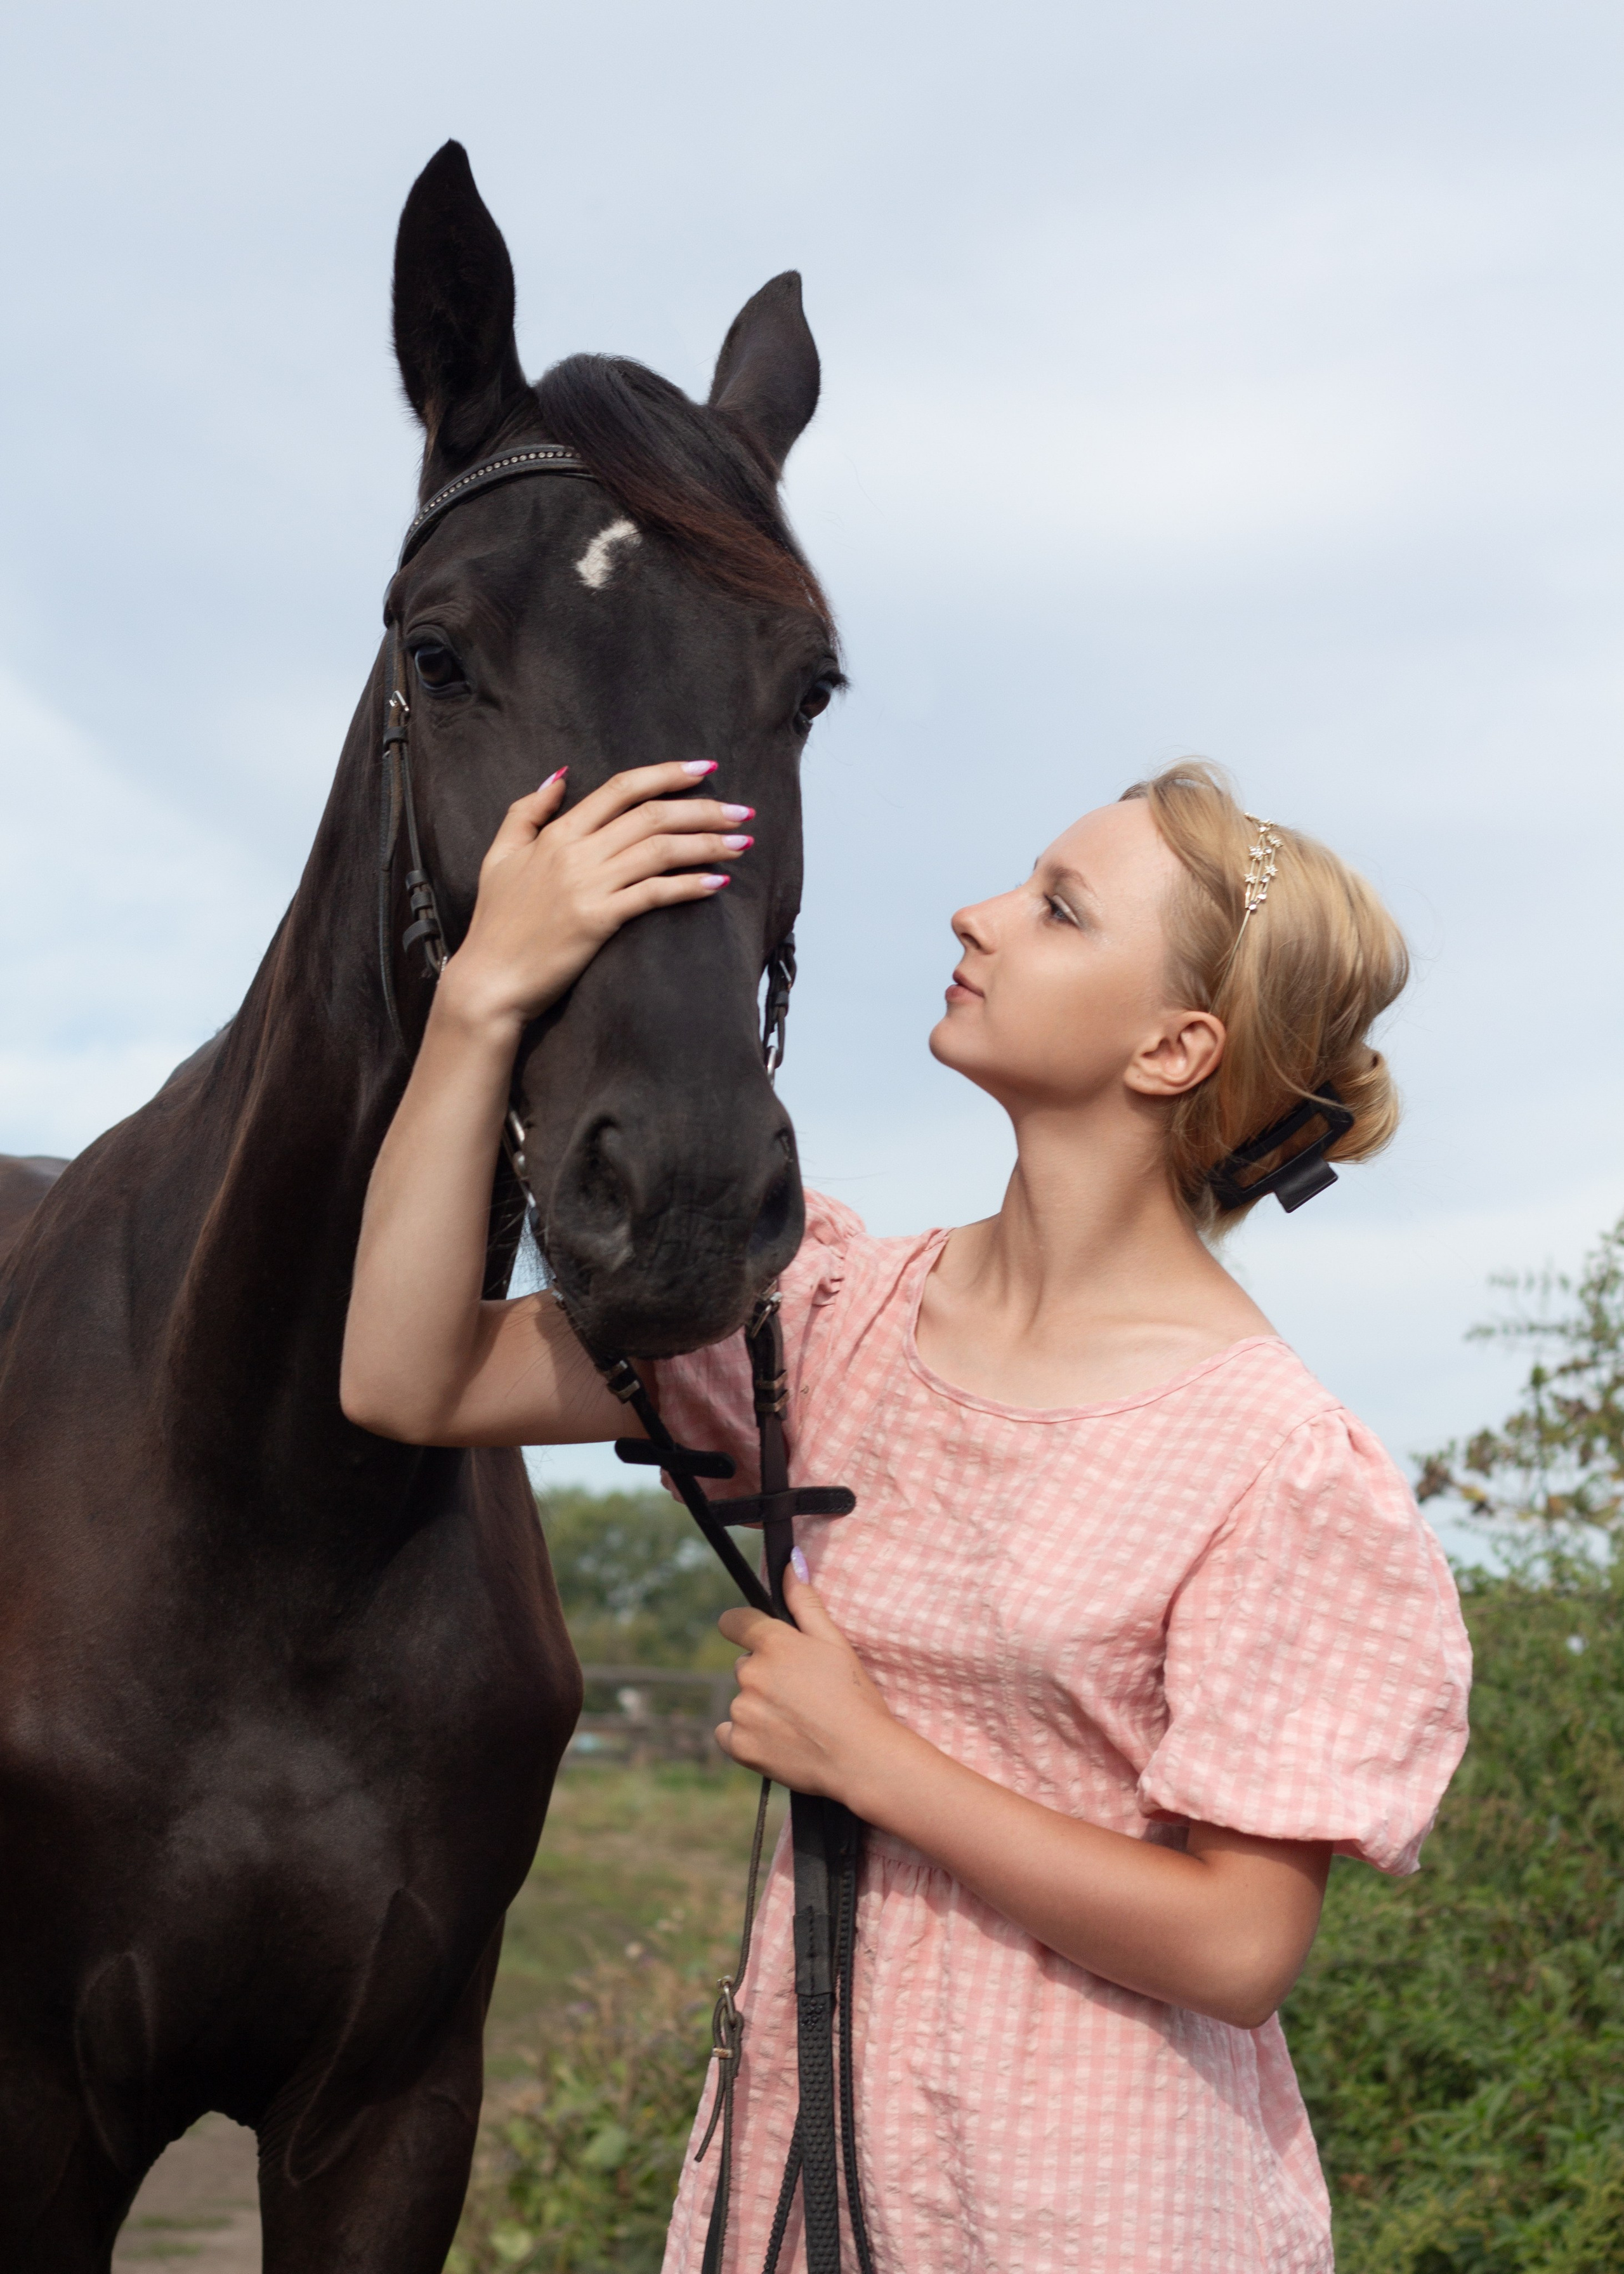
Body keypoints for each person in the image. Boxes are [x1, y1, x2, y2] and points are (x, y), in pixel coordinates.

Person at [342, 757, 1471, 2273]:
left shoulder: (1273, 1460)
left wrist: (872, 1760)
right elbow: (409, 1373)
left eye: (1057, 908)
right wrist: (482, 998)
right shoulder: (822, 1315)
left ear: (1172, 1044)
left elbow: (1236, 1946)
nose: (977, 913)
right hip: (806, 2167)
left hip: (1099, 2206)